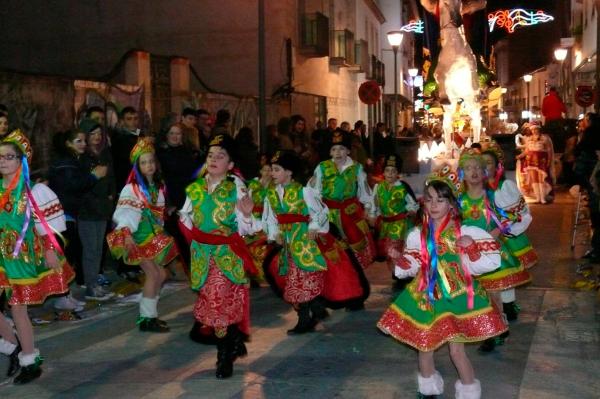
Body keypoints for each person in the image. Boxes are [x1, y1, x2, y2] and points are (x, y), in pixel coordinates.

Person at [377, 170, 506, 399]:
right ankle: (428, 389)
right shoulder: (418, 235)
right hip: (425, 295)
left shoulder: (466, 232)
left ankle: (469, 391)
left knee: (457, 351)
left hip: (456, 295)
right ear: (423, 203)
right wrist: (398, 257)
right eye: (429, 199)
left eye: (441, 199)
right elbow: (412, 265)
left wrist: (472, 249)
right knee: (424, 344)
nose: (434, 205)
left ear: (452, 204)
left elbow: (489, 263)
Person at [178, 134, 260, 379]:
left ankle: (224, 356)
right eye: (210, 155)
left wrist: (246, 215)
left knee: (218, 303)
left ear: (231, 164)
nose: (214, 159)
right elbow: (185, 217)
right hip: (202, 254)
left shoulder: (236, 187)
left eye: (220, 156)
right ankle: (234, 341)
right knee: (215, 305)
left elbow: (249, 227)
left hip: (226, 255)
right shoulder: (194, 188)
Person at [0, 130, 75, 384]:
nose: (2, 161)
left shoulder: (35, 191)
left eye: (9, 157)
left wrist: (51, 250)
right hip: (1, 255)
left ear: (21, 160)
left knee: (18, 309)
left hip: (21, 258)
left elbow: (49, 226)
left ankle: (29, 360)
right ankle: (12, 347)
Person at [263, 151, 370, 327]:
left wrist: (314, 228)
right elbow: (269, 218)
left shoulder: (304, 192)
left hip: (304, 242)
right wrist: (275, 234)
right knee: (294, 278)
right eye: (272, 170)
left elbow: (321, 212)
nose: (272, 173)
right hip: (288, 245)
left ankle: (306, 318)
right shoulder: (271, 195)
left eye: (276, 170)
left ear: (289, 172)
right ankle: (316, 308)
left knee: (303, 278)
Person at [458, 148, 531, 352]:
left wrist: (493, 234)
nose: (473, 172)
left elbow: (507, 219)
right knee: (479, 295)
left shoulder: (493, 197)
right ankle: (494, 327)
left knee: (494, 294)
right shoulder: (459, 200)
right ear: (462, 173)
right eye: (468, 168)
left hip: (491, 253)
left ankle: (497, 331)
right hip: (468, 255)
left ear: (484, 173)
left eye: (477, 168)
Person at [107, 138, 179, 332]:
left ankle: (150, 314)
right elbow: (124, 215)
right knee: (154, 273)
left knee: (161, 273)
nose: (149, 165)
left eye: (151, 161)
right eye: (144, 162)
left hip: (152, 236)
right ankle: (146, 318)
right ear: (138, 166)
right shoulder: (132, 189)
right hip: (137, 237)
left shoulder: (157, 188)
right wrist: (127, 234)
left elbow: (158, 216)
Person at [48, 129, 108, 305]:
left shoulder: (73, 160)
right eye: (78, 141)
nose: (83, 144)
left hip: (69, 213)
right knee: (65, 255)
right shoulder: (67, 162)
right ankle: (61, 296)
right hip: (62, 214)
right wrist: (93, 176)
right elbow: (73, 186)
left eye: (83, 141)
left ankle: (64, 294)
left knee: (71, 254)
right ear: (68, 143)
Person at [482, 141, 537, 321]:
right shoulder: (475, 189)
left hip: (506, 236)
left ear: (498, 166)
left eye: (488, 163)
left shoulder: (505, 187)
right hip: (485, 237)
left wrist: (506, 229)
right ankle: (493, 308)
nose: (484, 167)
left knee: (507, 271)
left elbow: (520, 213)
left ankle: (508, 306)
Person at [310, 130, 376, 272]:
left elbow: (364, 192)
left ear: (348, 151)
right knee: (331, 250)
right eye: (334, 149)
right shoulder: (322, 167)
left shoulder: (357, 168)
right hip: (328, 215)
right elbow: (313, 192)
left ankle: (353, 276)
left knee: (354, 251)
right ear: (330, 152)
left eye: (341, 148)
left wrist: (370, 209)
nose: (338, 152)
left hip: (351, 213)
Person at [77, 119, 116, 301]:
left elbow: (111, 178)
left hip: (102, 208)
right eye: (92, 134)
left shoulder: (103, 153)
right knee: (90, 249)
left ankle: (95, 283)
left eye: (99, 134)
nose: (97, 137)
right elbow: (83, 185)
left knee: (98, 249)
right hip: (88, 210)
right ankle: (90, 285)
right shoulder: (83, 157)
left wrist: (110, 195)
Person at [156, 122, 198, 270]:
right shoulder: (160, 154)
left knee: (190, 236)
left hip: (188, 198)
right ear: (166, 135)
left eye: (178, 133)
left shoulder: (188, 151)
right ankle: (188, 268)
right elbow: (160, 179)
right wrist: (168, 203)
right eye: (172, 133)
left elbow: (194, 176)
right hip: (171, 200)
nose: (174, 136)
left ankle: (193, 268)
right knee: (179, 236)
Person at [373, 154, 419, 263]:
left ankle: (399, 270)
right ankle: (393, 268)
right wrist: (373, 214)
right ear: (383, 172)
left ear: (397, 173)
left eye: (393, 171)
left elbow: (412, 203)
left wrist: (412, 210)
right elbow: (375, 203)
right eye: (387, 171)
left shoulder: (402, 187)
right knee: (386, 249)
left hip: (399, 224)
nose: (390, 174)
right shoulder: (378, 187)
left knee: (396, 249)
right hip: (384, 224)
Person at [518, 123, 555, 204]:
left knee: (541, 179)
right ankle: (538, 198)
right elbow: (527, 150)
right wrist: (519, 156)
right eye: (532, 130)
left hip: (541, 161)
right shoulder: (529, 139)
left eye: (536, 129)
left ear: (539, 129)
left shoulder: (544, 138)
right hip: (530, 161)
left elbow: (549, 151)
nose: (534, 131)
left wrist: (548, 160)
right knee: (534, 179)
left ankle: (543, 198)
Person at [111, 107, 142, 192]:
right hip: (125, 183)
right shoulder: (118, 138)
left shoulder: (140, 135)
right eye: (129, 119)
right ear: (122, 121)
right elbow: (129, 157)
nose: (133, 122)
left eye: (135, 118)